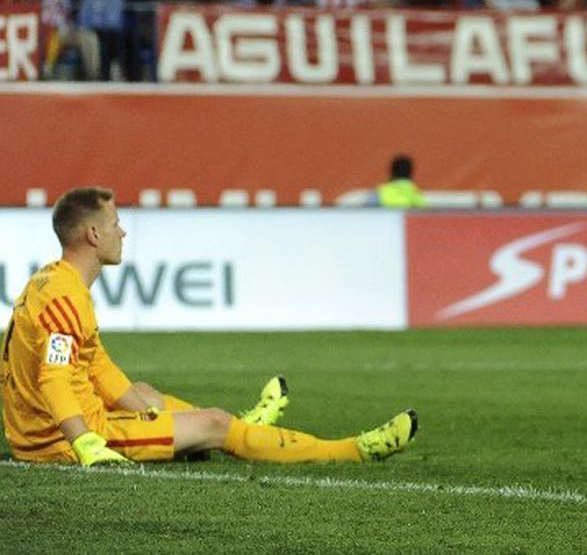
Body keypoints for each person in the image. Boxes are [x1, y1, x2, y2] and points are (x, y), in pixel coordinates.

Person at [1, 187, 417, 466]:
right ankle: (353, 449)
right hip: (57, 441)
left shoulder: (52, 280)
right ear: (93, 234)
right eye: (115, 224)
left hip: (42, 428)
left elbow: (95, 366)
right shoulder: (66, 298)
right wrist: (86, 443)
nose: (122, 231)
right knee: (215, 423)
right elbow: (54, 376)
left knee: (144, 393)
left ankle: (246, 427)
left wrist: (143, 411)